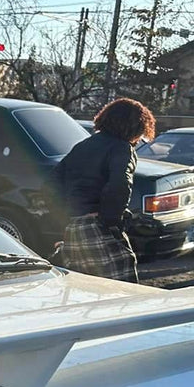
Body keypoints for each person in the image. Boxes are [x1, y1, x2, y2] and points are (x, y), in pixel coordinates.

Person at [52, 97, 157, 283]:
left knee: (84, 286)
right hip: (99, 226)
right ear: (135, 127)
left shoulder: (83, 145)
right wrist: (111, 222)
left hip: (74, 227)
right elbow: (120, 185)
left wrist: (68, 215)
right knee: (121, 288)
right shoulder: (122, 148)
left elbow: (54, 181)